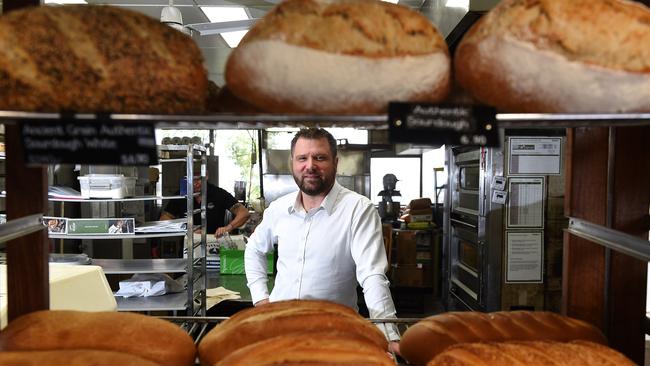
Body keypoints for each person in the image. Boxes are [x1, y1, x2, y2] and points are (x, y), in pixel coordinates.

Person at [244, 128, 401, 354]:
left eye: (319, 157)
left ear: (335, 162)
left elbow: (372, 274)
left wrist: (388, 333)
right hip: (278, 331)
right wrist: (261, 300)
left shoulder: (358, 209)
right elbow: (254, 250)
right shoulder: (278, 208)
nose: (310, 166)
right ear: (293, 163)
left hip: (335, 335)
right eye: (302, 158)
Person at [161, 178, 250, 240]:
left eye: (199, 179)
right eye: (192, 179)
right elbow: (164, 220)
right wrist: (186, 229)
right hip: (188, 248)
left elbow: (244, 213)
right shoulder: (181, 195)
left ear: (206, 176)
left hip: (215, 244)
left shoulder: (218, 193)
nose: (196, 183)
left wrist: (228, 227)